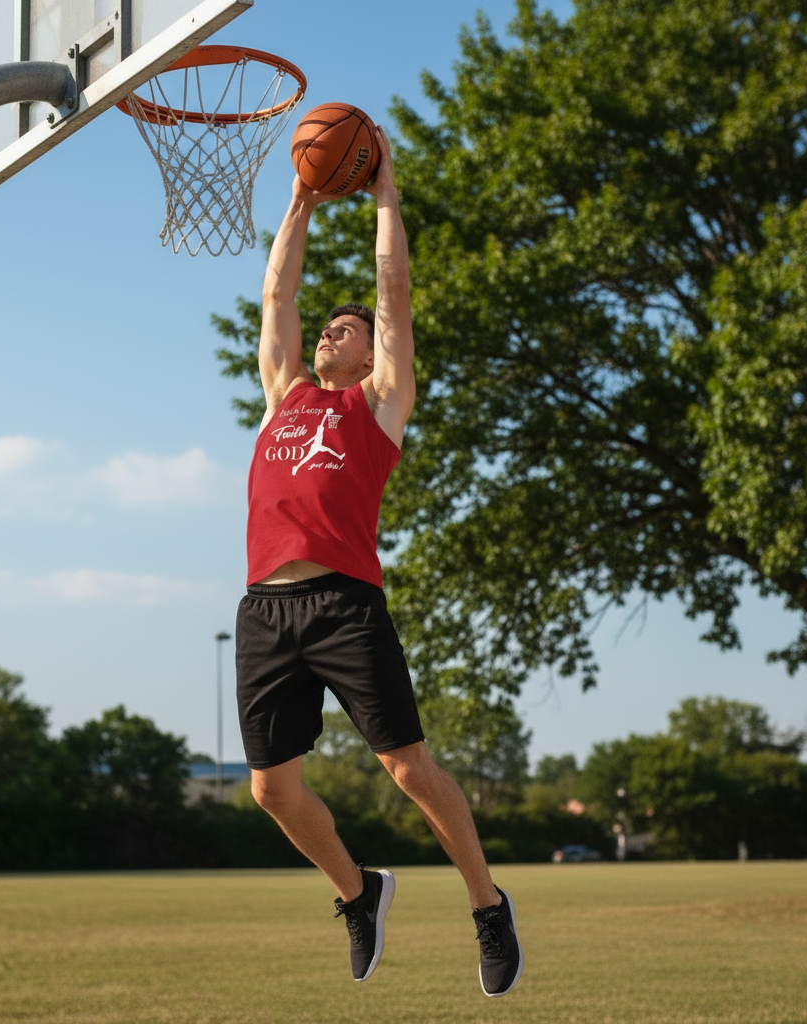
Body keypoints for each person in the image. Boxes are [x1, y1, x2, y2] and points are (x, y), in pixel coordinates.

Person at [234, 126, 524, 997]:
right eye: (330, 326)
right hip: (263, 609)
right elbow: (276, 291)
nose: (334, 330)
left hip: (345, 604)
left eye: (349, 327)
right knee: (270, 793)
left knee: (406, 768)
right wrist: (301, 202)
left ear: (370, 354)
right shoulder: (284, 395)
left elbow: (392, 291)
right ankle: (361, 894)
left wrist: (384, 189)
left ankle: (486, 905)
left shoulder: (381, 404)